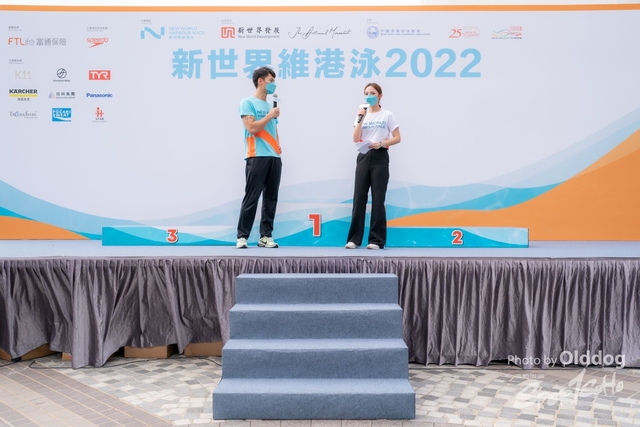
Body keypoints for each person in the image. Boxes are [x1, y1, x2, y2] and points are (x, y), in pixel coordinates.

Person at [346, 82, 401, 250]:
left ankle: (376, 240)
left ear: (380, 96)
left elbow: (397, 137)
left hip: (380, 156)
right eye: (366, 93)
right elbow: (355, 138)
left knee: (378, 198)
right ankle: (354, 239)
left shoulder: (387, 115)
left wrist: (382, 144)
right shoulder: (361, 115)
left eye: (372, 93)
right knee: (359, 198)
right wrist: (360, 119)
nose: (369, 96)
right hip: (363, 155)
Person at [236, 67, 281, 249]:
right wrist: (270, 115)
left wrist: (278, 146)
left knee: (271, 198)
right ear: (260, 81)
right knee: (252, 197)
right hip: (256, 155)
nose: (273, 84)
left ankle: (266, 236)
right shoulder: (247, 103)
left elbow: (274, 129)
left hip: (274, 157)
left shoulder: (271, 107)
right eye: (271, 80)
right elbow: (252, 128)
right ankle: (242, 236)